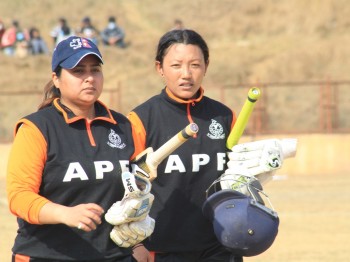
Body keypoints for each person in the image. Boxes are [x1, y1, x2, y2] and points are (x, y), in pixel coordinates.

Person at [127, 29, 295, 261]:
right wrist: (136, 244)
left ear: (206, 66)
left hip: (222, 244)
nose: (186, 74)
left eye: (195, 65)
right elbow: (126, 189)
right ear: (160, 68)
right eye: (176, 65)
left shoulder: (224, 116)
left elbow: (235, 178)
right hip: (163, 248)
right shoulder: (141, 119)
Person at [6, 36, 154, 262]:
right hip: (47, 255)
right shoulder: (37, 128)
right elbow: (19, 197)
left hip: (112, 255)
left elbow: (133, 193)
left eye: (95, 70)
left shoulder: (123, 126)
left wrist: (138, 241)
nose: (89, 78)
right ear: (56, 79)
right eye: (78, 71)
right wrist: (64, 213)